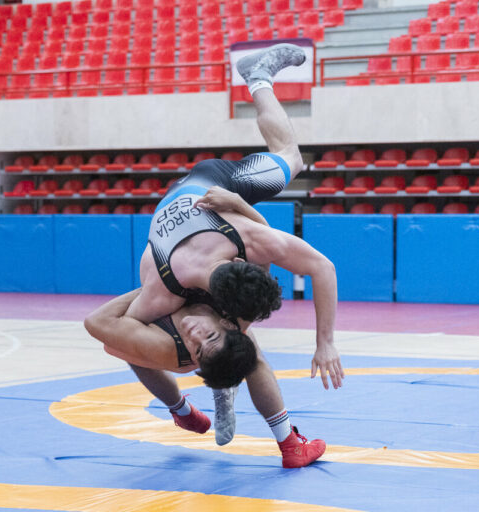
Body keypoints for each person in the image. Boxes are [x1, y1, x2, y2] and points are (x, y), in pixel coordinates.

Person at [127, 43, 344, 392]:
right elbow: (322, 268)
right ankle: (258, 77)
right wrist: (325, 342)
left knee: (290, 157)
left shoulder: (170, 286)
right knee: (289, 158)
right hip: (213, 195)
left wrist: (326, 343)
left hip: (211, 196)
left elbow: (122, 341)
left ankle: (259, 77)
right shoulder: (246, 242)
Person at [84, 289, 327, 468]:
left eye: (208, 337)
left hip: (177, 323)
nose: (197, 334)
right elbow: (102, 332)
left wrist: (162, 284)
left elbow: (101, 327)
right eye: (201, 347)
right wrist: (163, 284)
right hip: (175, 340)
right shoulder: (219, 303)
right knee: (250, 353)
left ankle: (182, 409)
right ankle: (288, 442)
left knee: (133, 347)